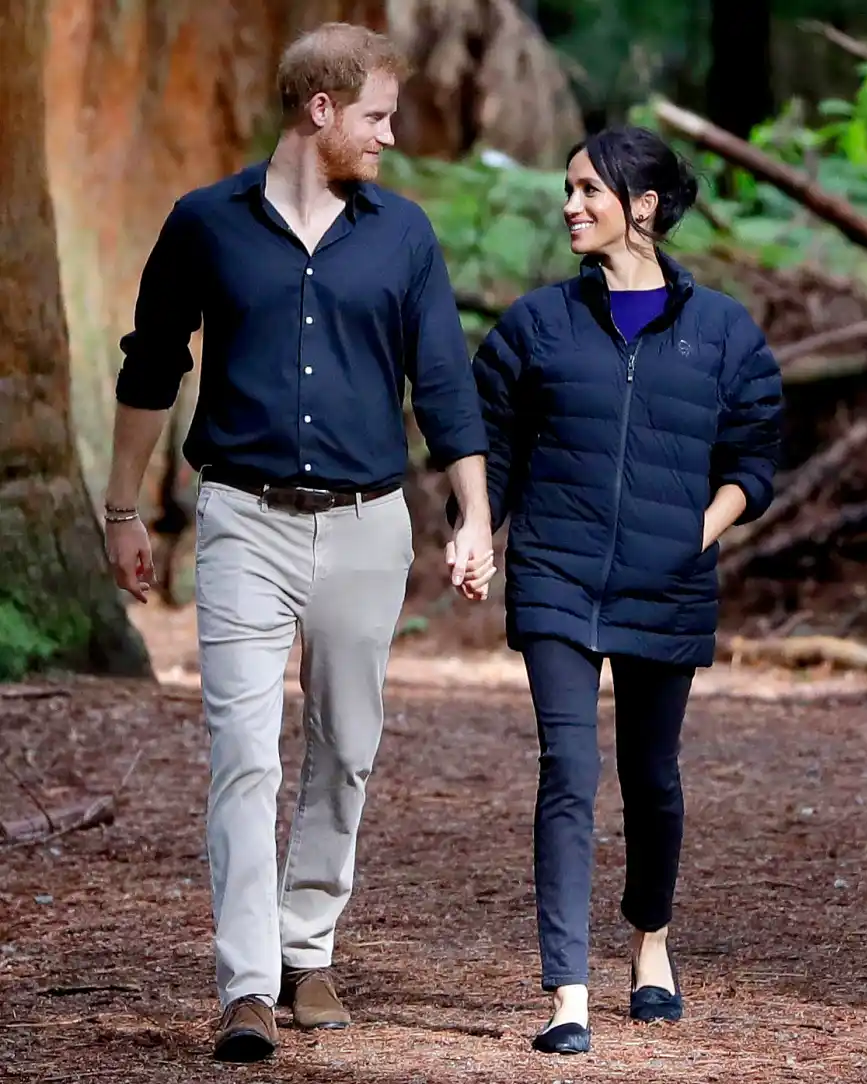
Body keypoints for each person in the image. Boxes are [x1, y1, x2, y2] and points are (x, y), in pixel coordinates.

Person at [103, 22, 495, 1064]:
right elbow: (149, 366)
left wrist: (475, 514)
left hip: (369, 524)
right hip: (242, 517)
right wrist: (120, 506)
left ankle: (305, 946)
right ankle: (245, 984)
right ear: (319, 111)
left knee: (346, 749)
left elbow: (446, 385)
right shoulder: (205, 226)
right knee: (241, 755)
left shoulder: (402, 236)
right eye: (376, 116)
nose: (392, 136)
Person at [459, 126, 782, 1055]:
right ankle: (566, 990)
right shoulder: (536, 325)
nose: (571, 205)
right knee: (567, 771)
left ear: (642, 207)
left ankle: (651, 944)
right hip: (557, 573)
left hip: (667, 581)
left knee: (652, 777)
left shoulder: (723, 332)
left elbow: (754, 456)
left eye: (589, 190)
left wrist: (699, 530)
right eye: (569, 189)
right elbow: (493, 443)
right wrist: (477, 528)